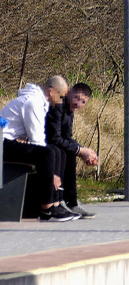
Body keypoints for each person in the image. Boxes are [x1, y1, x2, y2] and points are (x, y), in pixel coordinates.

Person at [0, 76, 76, 221]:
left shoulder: (40, 102)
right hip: (2, 144)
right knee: (47, 154)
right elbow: (37, 139)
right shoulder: (33, 102)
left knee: (57, 151)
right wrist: (52, 174)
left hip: (10, 142)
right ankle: (47, 209)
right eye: (60, 97)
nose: (60, 101)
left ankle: (57, 201)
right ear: (51, 91)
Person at [45, 82, 99, 218]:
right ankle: (62, 200)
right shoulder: (57, 106)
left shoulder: (70, 111)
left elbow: (67, 137)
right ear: (68, 93)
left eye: (83, 102)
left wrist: (85, 152)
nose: (78, 104)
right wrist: (79, 151)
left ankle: (71, 202)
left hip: (53, 144)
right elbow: (54, 138)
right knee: (63, 153)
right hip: (42, 143)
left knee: (70, 153)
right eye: (76, 98)